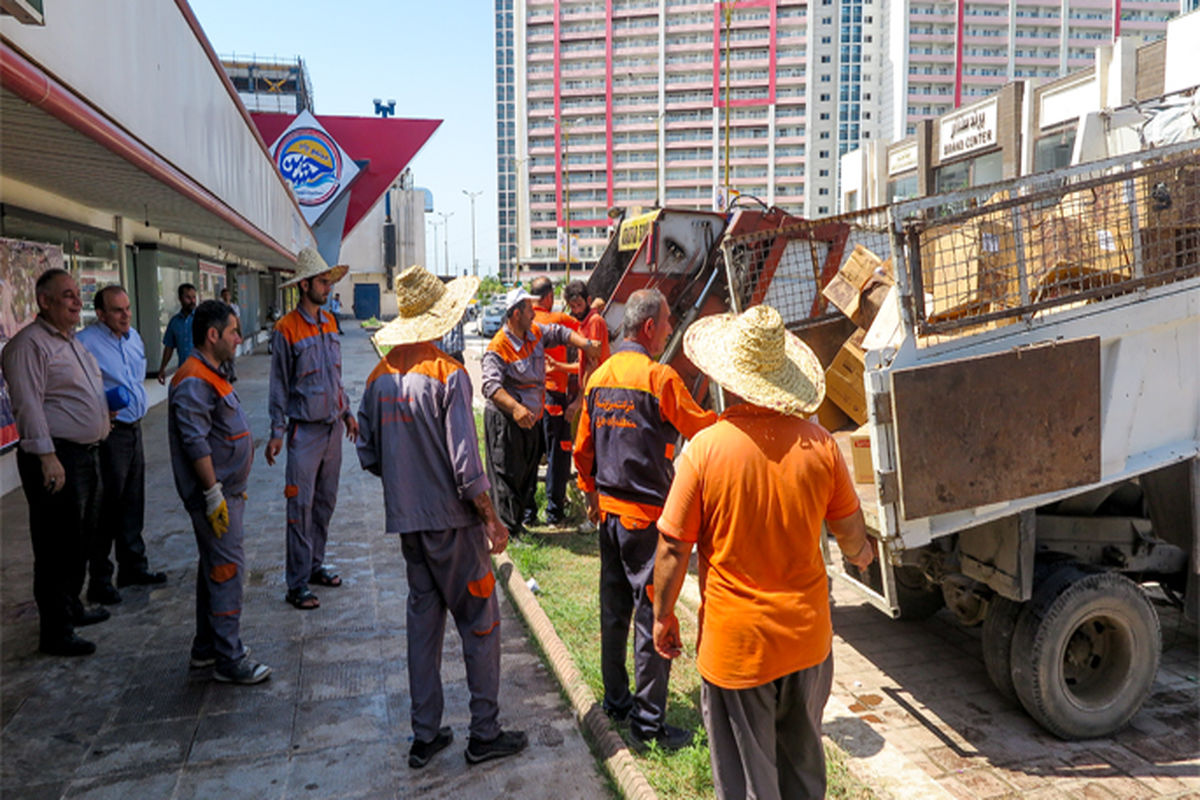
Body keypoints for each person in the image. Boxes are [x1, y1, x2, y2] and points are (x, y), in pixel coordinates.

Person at [650, 304, 876, 800]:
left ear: (727, 380)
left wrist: (663, 615)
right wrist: (861, 556)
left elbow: (671, 546)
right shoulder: (821, 447)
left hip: (739, 649)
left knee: (749, 783)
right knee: (803, 771)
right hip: (808, 643)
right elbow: (853, 535)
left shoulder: (705, 450)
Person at [357, 264, 528, 769]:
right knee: (480, 623)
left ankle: (425, 735)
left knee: (423, 628)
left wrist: (408, 480)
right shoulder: (448, 374)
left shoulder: (379, 376)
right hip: (454, 527)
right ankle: (484, 733)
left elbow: (368, 455)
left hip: (409, 525)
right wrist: (492, 520)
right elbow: (467, 467)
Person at [572, 288, 716, 751]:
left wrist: (591, 492)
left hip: (609, 518)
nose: (671, 329)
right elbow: (700, 428)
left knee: (613, 610)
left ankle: (615, 701)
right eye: (669, 322)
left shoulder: (600, 378)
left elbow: (582, 451)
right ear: (649, 327)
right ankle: (648, 724)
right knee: (654, 614)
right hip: (646, 520)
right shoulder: (659, 378)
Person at [3, 268, 112, 656]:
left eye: (75, 294)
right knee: (56, 546)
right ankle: (56, 631)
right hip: (55, 458)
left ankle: (73, 607)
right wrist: (48, 457)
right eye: (66, 295)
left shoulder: (70, 342)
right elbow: (29, 406)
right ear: (43, 301)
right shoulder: (28, 345)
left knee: (81, 538)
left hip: (86, 454)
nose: (76, 300)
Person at [168, 300, 270, 684]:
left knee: (213, 569)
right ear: (213, 336)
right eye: (233, 332)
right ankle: (230, 658)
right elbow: (195, 442)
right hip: (216, 498)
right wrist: (213, 494)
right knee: (227, 571)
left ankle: (206, 647)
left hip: (226, 493)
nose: (239, 338)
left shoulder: (211, 372)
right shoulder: (194, 378)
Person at [265, 247, 359, 610]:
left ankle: (315, 564)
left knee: (324, 503)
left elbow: (335, 377)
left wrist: (347, 412)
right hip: (304, 431)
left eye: (330, 281)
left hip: (333, 428)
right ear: (304, 285)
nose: (329, 287)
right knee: (299, 506)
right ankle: (297, 583)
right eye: (323, 281)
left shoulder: (329, 322)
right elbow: (278, 385)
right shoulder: (285, 330)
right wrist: (276, 432)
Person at [481, 287, 600, 538]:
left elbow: (560, 333)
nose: (533, 314)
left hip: (529, 419)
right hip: (508, 420)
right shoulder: (498, 347)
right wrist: (515, 408)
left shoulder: (533, 333)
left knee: (526, 473)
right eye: (528, 309)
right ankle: (509, 532)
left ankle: (519, 526)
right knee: (507, 476)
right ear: (515, 314)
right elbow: (491, 386)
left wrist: (586, 345)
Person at [77, 285, 166, 606]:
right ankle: (100, 579)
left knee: (132, 500)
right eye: (117, 310)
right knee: (106, 507)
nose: (125, 314)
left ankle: (133, 566)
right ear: (100, 314)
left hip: (134, 429)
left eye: (127, 308)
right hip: (108, 433)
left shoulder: (134, 338)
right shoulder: (86, 344)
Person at [527, 276, 579, 527]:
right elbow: (582, 323)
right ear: (548, 297)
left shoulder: (524, 322)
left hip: (528, 398)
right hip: (554, 397)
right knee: (558, 457)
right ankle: (554, 513)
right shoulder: (558, 320)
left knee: (530, 455)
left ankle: (527, 513)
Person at [562, 280, 610, 395]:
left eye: (579, 305)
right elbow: (583, 364)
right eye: (573, 307)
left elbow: (592, 362)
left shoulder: (594, 321)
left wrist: (581, 397)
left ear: (588, 300)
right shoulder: (585, 322)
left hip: (597, 387)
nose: (577, 310)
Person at [157, 282, 197, 384]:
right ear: (180, 299)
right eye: (188, 297)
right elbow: (169, 347)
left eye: (194, 297)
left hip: (202, 372)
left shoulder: (202, 319)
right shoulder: (174, 322)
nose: (192, 301)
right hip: (184, 372)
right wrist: (162, 368)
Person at [218, 287, 239, 382]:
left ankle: (232, 374)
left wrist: (239, 333)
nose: (226, 297)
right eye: (224, 295)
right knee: (223, 354)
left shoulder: (234, 307)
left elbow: (238, 320)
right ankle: (226, 372)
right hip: (222, 334)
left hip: (232, 333)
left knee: (232, 354)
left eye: (228, 295)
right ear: (221, 296)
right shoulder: (219, 308)